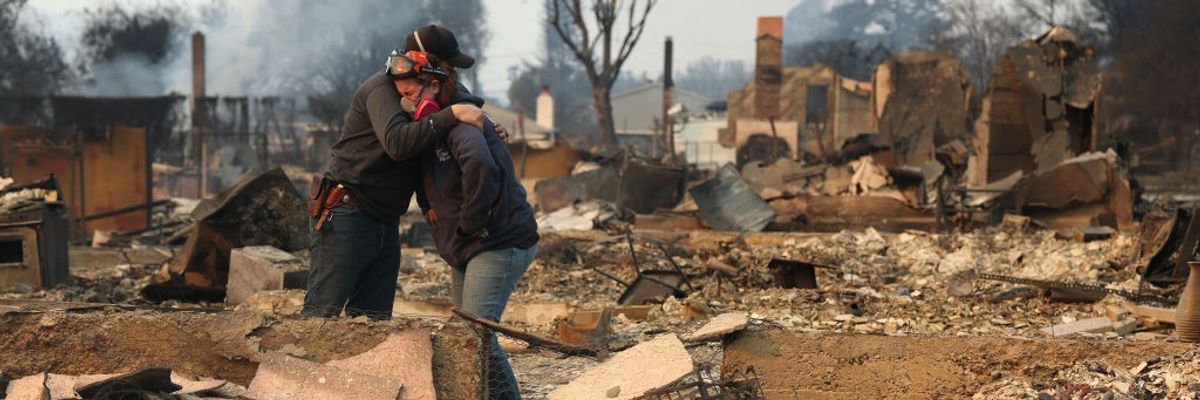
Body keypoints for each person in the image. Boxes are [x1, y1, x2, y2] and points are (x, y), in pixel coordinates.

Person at [302, 25, 500, 319]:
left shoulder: (431, 88)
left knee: (373, 321)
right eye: (447, 67)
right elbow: (398, 144)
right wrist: (452, 115)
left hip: (385, 219)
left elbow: (454, 115)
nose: (451, 76)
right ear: (424, 60)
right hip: (347, 212)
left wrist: (486, 122)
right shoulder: (381, 89)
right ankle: (292, 366)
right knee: (320, 314)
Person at [400, 53, 539, 400]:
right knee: (468, 336)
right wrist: (429, 203)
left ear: (435, 84)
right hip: (469, 246)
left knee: (475, 337)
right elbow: (425, 168)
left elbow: (479, 164)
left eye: (414, 92)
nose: (407, 98)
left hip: (498, 241)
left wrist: (469, 224)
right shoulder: (434, 128)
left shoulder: (463, 124)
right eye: (402, 92)